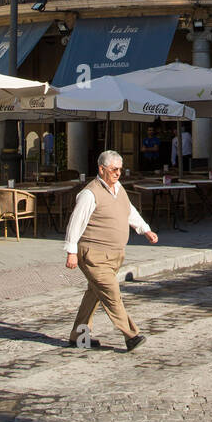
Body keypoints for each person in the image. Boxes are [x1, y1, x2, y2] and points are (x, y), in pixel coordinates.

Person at [64, 150, 159, 351]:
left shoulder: (119, 189)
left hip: (114, 255)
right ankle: (131, 335)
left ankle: (78, 336)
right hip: (93, 254)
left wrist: (145, 230)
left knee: (94, 294)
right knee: (111, 292)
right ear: (101, 169)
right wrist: (71, 251)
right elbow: (76, 222)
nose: (118, 173)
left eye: (120, 170)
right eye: (114, 169)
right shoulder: (90, 193)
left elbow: (129, 210)